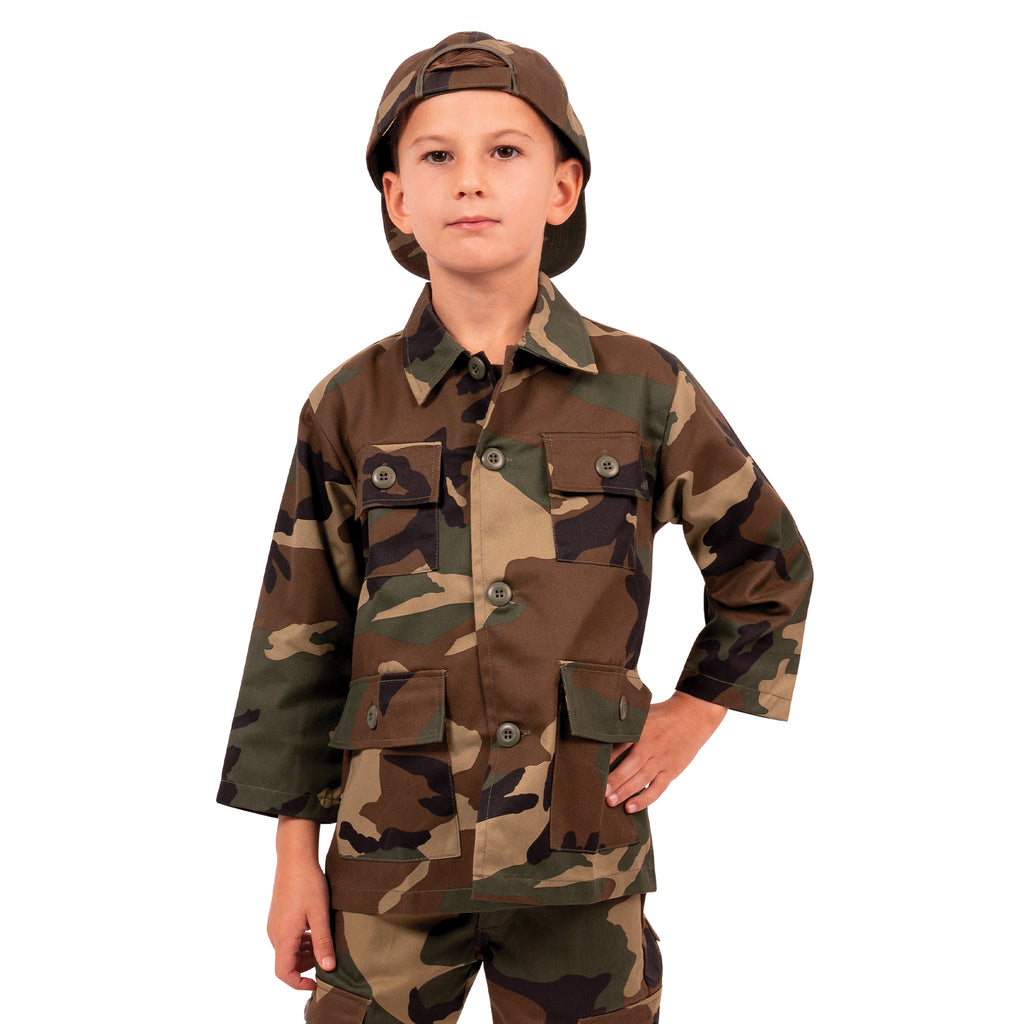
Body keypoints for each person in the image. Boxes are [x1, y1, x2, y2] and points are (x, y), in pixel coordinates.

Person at [218, 30, 812, 1024]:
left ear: (562, 188)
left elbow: (768, 563)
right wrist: (292, 858)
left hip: (580, 850)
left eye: (505, 150)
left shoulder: (643, 387)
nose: (469, 180)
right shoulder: (349, 404)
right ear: (397, 198)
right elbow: (298, 636)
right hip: (390, 861)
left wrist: (697, 710)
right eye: (435, 156)